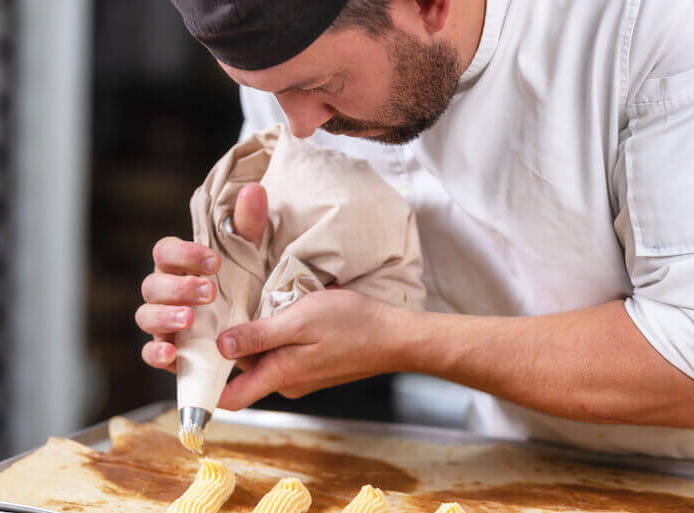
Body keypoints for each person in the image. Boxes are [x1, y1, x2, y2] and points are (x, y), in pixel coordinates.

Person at [134, 0, 694, 457]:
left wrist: (399, 340)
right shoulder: (292, 76)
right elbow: (304, 253)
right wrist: (233, 302)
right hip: (519, 455)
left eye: (325, 85)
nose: (298, 128)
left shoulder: (654, 29)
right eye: (266, 92)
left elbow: (686, 355)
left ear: (431, 5)